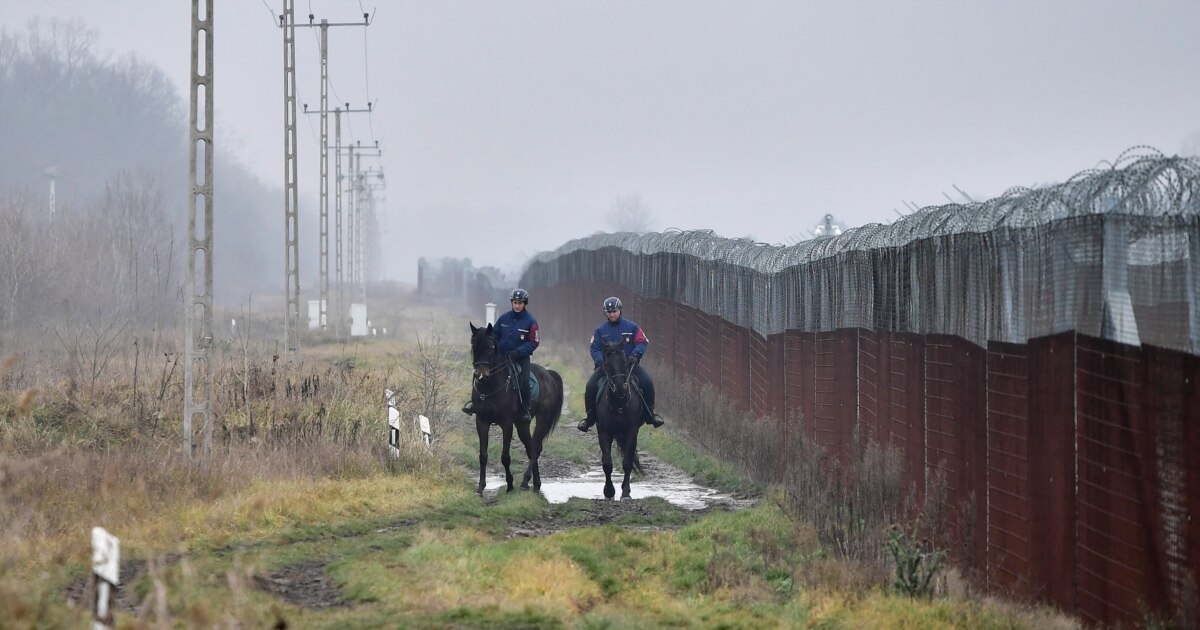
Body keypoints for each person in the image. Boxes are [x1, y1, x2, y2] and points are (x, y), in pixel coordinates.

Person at [577, 296, 665, 432]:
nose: (612, 314)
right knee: (590, 386)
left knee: (647, 382)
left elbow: (642, 342)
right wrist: (600, 360)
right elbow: (594, 348)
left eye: (614, 311)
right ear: (605, 313)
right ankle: (590, 418)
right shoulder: (600, 330)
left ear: (620, 311)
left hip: (629, 367)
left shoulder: (632, 327)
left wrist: (636, 355)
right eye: (609, 312)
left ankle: (650, 415)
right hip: (606, 369)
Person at [462, 288, 540, 422]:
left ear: (524, 303)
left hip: (520, 359)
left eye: (520, 303)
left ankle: (525, 409)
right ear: (512, 303)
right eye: (515, 303)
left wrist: (517, 352)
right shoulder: (503, 318)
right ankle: (474, 403)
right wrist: (483, 337)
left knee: (525, 381)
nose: (517, 305)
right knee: (479, 373)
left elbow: (534, 342)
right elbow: (494, 334)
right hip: (501, 357)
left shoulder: (531, 322)